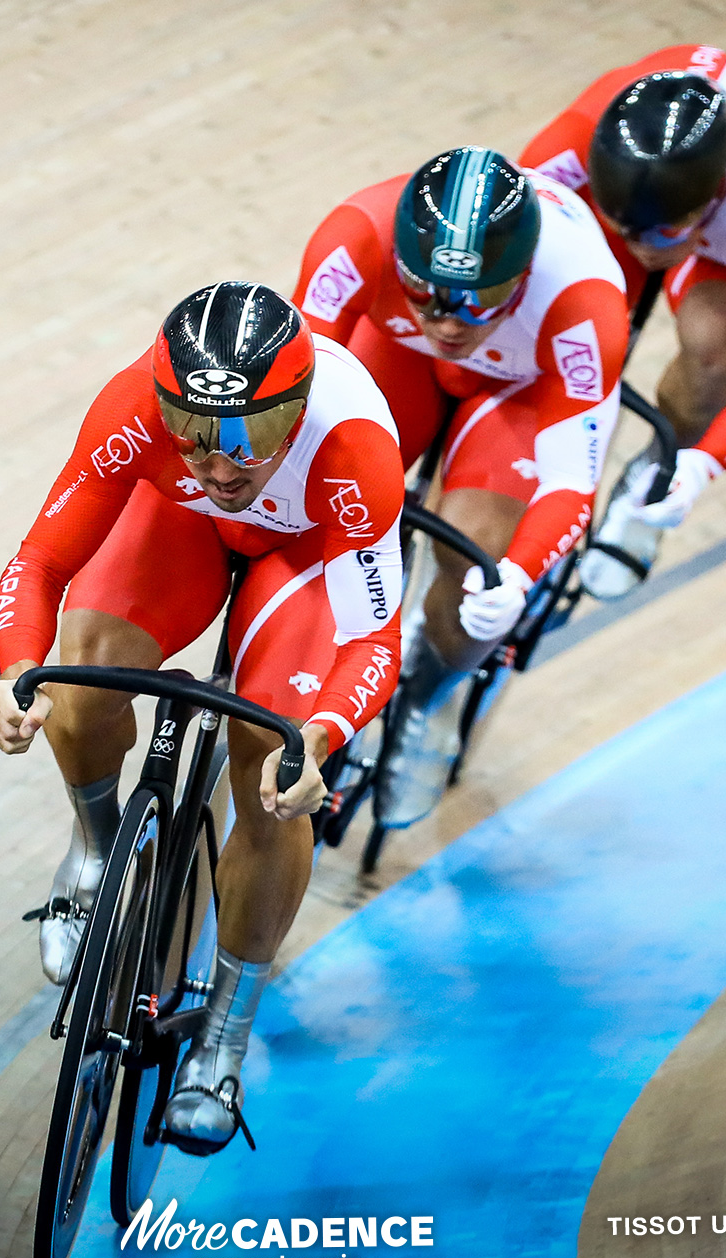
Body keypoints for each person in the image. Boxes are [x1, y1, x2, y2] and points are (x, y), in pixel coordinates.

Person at [0, 281, 404, 1156]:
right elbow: (40, 562)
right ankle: (98, 853)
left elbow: (372, 641)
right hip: (175, 531)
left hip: (302, 558)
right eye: (197, 442)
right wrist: (15, 671)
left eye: (244, 449)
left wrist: (320, 735)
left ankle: (224, 1034)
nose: (218, 468)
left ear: (293, 409)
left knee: (272, 764)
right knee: (84, 673)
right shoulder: (135, 404)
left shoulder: (352, 446)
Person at [292, 147, 629, 826]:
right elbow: (296, 389)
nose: (450, 322)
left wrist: (516, 575)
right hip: (398, 359)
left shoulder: (584, 301)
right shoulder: (355, 235)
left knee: (475, 560)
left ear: (525, 276)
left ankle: (431, 692)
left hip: (519, 388)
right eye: (428, 294)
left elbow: (572, 481)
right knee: (314, 498)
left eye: (480, 301)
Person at [518, 46, 726, 597]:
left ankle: (653, 472)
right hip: (653, 204)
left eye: (659, 237)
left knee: (711, 357)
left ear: (704, 207)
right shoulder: (574, 141)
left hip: (724, 242)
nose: (638, 249)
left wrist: (701, 465)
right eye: (622, 229)